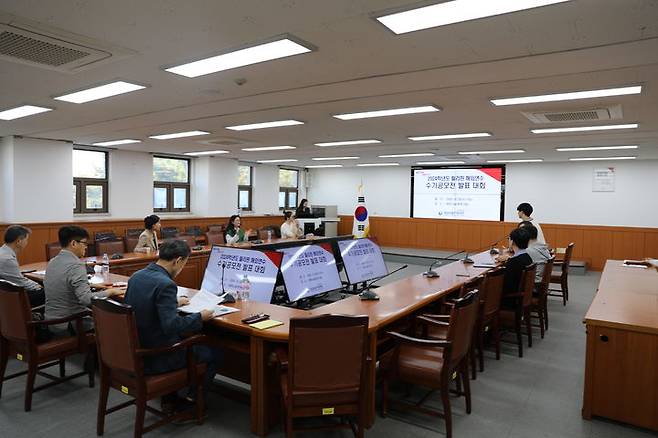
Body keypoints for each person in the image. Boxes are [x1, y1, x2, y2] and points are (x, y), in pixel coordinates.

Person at [123, 240, 218, 414]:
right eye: (184, 263)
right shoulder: (166, 284)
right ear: (178, 261)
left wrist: (172, 302)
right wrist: (200, 317)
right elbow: (171, 326)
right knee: (212, 353)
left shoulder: (137, 276)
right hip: (156, 355)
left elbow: (143, 305)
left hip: (134, 350)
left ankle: (169, 397)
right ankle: (191, 404)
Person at [44, 226, 124, 336]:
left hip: (51, 321)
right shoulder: (76, 265)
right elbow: (86, 300)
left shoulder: (53, 261)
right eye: (84, 243)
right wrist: (111, 292)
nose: (86, 247)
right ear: (73, 243)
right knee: (121, 323)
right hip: (72, 323)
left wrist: (92, 285)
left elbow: (66, 286)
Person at [0, 225, 45, 308]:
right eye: (26, 240)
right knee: (49, 292)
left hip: (5, 295)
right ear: (19, 241)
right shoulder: (7, 259)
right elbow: (20, 282)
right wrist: (38, 286)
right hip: (13, 298)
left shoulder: (3, 252)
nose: (27, 242)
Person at [496, 227, 533, 307]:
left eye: (509, 239)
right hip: (521, 296)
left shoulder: (514, 262)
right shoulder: (527, 257)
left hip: (509, 300)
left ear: (512, 241)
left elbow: (505, 286)